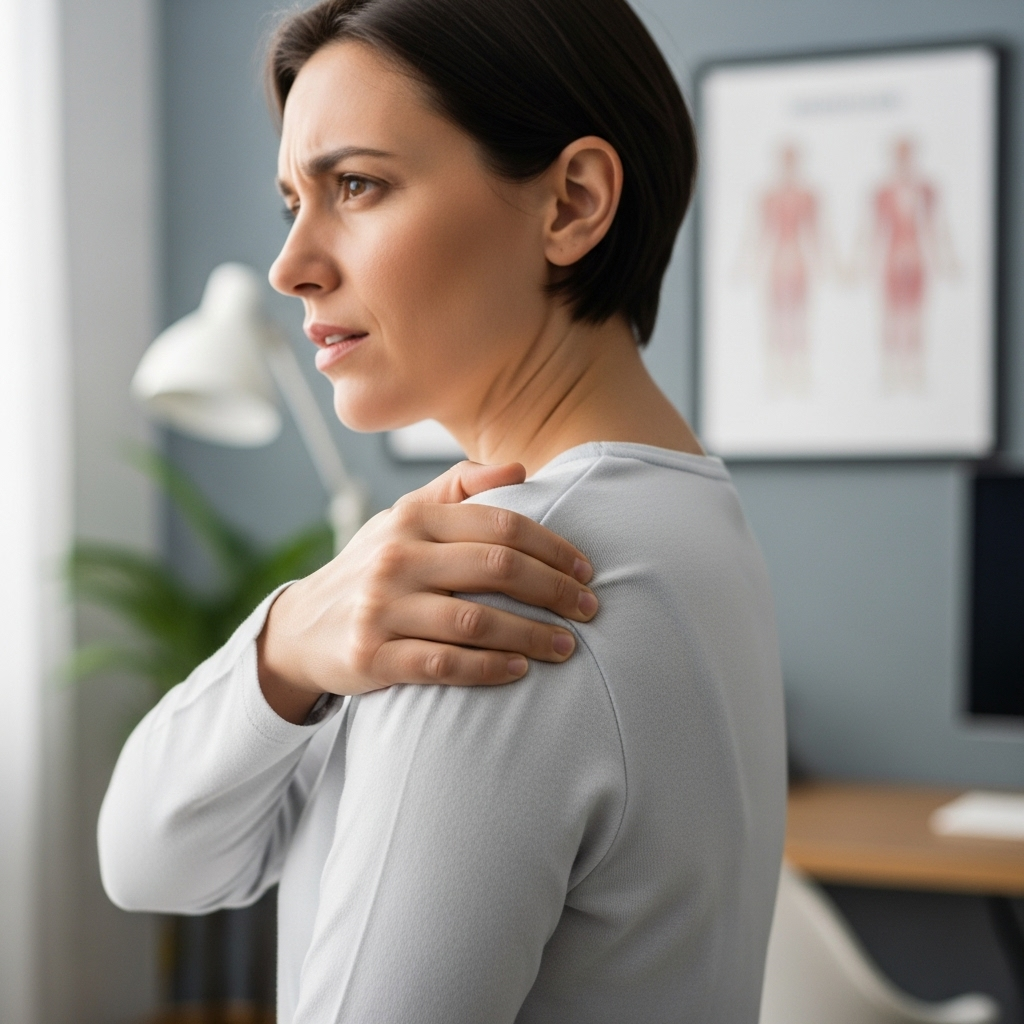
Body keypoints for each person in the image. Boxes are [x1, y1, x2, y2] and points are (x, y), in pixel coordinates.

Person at [98, 0, 786, 1021]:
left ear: (572, 202)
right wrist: (286, 642)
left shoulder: (501, 590)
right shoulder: (689, 516)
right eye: (292, 198)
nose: (290, 264)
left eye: (358, 185)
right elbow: (152, 861)